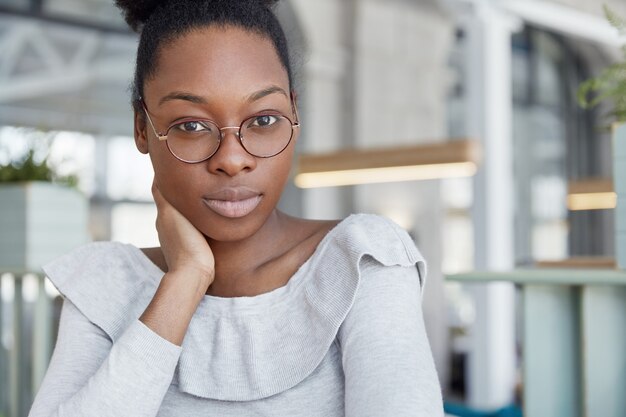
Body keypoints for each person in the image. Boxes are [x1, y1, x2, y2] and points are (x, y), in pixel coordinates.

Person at [28, 0, 443, 415]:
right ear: (142, 128)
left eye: (263, 120)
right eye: (191, 125)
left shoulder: (361, 262)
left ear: (294, 113)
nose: (232, 158)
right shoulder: (105, 285)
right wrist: (186, 279)